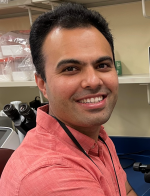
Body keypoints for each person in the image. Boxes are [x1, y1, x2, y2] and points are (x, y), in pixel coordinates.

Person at [0, 3, 137, 196]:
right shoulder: (52, 177)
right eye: (70, 68)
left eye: (103, 65)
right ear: (42, 83)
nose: (93, 81)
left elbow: (125, 190)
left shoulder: (96, 137)